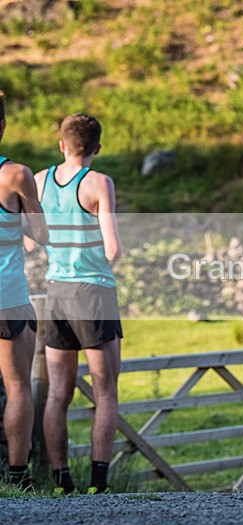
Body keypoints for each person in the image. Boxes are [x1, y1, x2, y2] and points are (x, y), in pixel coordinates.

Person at [32, 113, 122, 495]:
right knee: (105, 392)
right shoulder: (99, 182)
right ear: (97, 148)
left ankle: (61, 481)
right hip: (94, 292)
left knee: (57, 393)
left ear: (62, 144)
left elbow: (31, 241)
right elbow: (113, 249)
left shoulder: (39, 181)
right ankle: (98, 484)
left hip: (56, 292)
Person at [0, 91, 49, 489]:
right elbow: (42, 234)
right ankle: (18, 478)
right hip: (9, 297)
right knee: (17, 386)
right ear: (2, 126)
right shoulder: (16, 175)